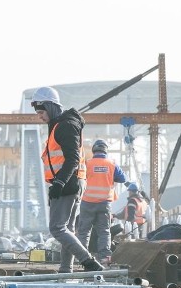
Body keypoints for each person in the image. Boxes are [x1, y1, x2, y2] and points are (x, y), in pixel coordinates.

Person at [33, 86, 104, 273]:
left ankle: (89, 262)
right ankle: (66, 269)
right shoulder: (61, 124)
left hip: (67, 182)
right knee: (67, 228)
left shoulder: (65, 125)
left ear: (50, 107)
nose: (39, 116)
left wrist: (59, 182)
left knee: (57, 228)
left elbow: (71, 159)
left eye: (41, 112)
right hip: (72, 181)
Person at [76, 139, 127, 263]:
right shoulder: (112, 164)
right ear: (106, 151)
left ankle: (82, 257)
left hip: (87, 202)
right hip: (104, 203)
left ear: (94, 150)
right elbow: (123, 178)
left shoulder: (87, 163)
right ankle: (104, 256)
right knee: (104, 231)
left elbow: (78, 177)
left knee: (84, 231)